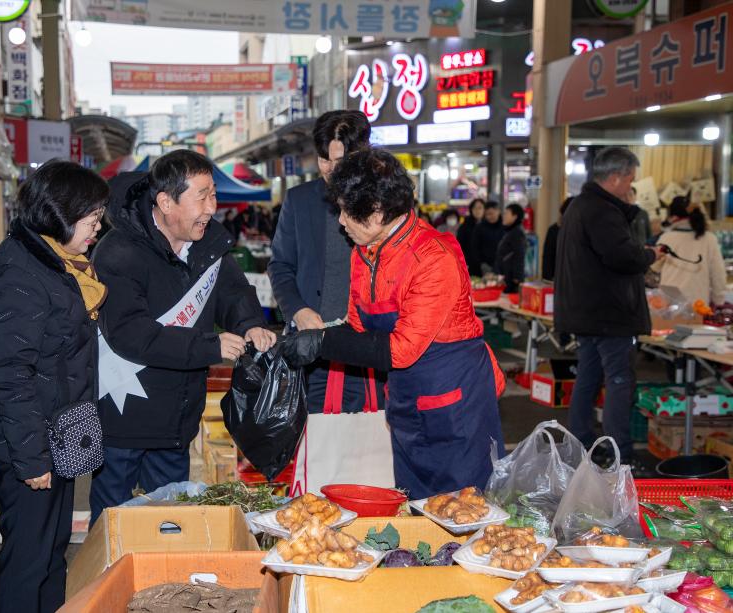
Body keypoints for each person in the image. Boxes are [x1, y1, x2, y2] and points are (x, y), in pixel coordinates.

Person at [279, 148, 506, 499]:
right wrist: (307, 340)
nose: (340, 221)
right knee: (415, 510)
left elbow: (401, 349)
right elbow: (358, 328)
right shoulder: (365, 253)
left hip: (456, 410)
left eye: (345, 210)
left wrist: (322, 343)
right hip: (406, 405)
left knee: (463, 513)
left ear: (377, 212)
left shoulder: (433, 257)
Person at [90, 150, 275, 523]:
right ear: (165, 202)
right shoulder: (118, 251)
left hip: (177, 419)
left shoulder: (207, 243)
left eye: (214, 195)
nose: (212, 206)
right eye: (202, 196)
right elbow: (131, 333)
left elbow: (234, 293)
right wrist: (210, 346)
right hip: (123, 418)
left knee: (171, 524)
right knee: (113, 526)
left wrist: (250, 323)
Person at [0, 160, 107, 613]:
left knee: (51, 556)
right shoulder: (17, 273)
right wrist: (32, 458)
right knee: (27, 562)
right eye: (91, 219)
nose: (97, 228)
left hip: (58, 436)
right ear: (61, 214)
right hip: (30, 447)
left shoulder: (57, 262)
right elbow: (10, 374)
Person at [268, 110, 392, 496]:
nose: (329, 169)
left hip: (369, 351)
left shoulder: (386, 204)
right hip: (314, 349)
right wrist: (298, 310)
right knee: (318, 447)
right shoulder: (300, 200)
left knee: (372, 446)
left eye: (339, 161)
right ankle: (317, 519)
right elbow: (281, 266)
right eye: (323, 159)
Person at [554, 146, 665, 467]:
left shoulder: (579, 206)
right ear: (616, 177)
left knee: (588, 377)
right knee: (618, 381)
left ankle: (583, 443)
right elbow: (622, 257)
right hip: (609, 313)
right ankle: (620, 454)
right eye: (630, 178)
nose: (631, 185)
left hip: (586, 312)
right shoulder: (602, 210)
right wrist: (649, 255)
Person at [653, 197, 725, 306]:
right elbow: (718, 274)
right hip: (698, 305)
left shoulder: (666, 238)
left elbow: (654, 267)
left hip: (668, 304)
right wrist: (719, 301)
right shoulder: (709, 239)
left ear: (673, 217)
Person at [495, 203, 527, 293]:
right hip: (506, 275)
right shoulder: (511, 231)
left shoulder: (517, 233)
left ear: (515, 216)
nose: (503, 216)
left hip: (511, 279)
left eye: (506, 214)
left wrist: (517, 277)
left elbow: (519, 255)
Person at [542, 197, 573, 282]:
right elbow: (548, 256)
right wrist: (548, 278)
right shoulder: (554, 230)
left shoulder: (554, 229)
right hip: (558, 278)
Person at [472, 200, 506, 274]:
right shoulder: (479, 228)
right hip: (485, 266)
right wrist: (481, 263)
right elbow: (475, 247)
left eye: (492, 213)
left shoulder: (505, 227)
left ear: (498, 211)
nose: (490, 216)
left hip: (504, 265)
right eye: (487, 214)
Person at [456, 198, 485, 276]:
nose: (477, 210)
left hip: (486, 265)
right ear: (471, 210)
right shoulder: (465, 226)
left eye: (480, 208)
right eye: (475, 208)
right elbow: (459, 246)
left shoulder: (489, 225)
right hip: (470, 264)